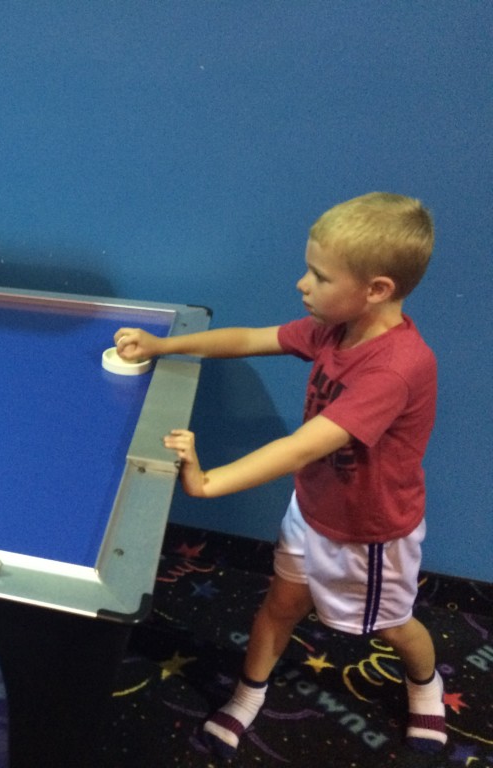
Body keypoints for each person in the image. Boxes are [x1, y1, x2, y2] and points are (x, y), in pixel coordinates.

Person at [114, 192, 444, 757]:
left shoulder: (395, 367)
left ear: (377, 289)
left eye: (318, 274)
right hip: (313, 509)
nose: (302, 284)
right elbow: (249, 339)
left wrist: (209, 481)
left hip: (367, 534)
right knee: (280, 605)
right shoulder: (336, 328)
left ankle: (426, 685)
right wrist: (166, 344)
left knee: (393, 627)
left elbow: (301, 446)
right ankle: (248, 693)